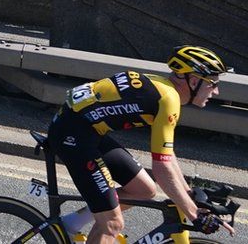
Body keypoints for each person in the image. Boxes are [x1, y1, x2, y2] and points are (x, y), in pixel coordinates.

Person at [47, 46, 236, 244]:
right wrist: (195, 214)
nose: (216, 91)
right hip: (73, 136)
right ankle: (89, 223)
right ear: (194, 80)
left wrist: (188, 196)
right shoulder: (168, 99)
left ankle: (71, 223)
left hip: (84, 129)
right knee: (112, 224)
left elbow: (167, 156)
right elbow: (162, 168)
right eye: (212, 84)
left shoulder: (164, 89)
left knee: (144, 190)